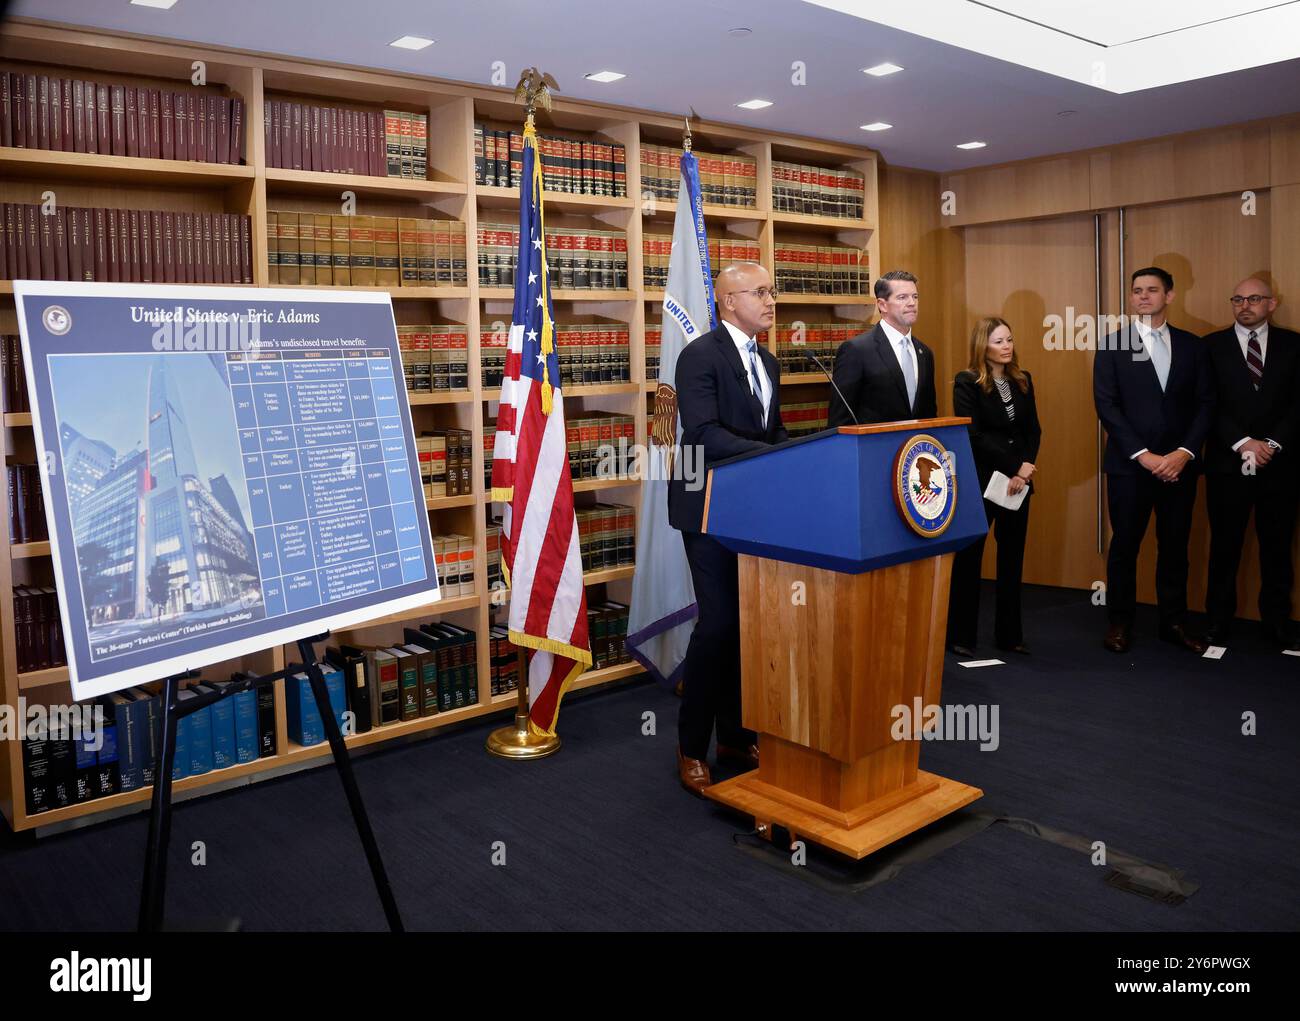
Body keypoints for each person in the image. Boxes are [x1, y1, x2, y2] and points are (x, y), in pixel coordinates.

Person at [667, 262, 788, 796]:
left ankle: (736, 738)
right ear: (727, 301)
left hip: (756, 508)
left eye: (771, 291)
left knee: (750, 626)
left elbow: (773, 429)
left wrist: (799, 449)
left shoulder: (770, 362)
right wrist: (774, 454)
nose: (770, 301)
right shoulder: (699, 356)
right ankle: (691, 746)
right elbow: (704, 434)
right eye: (759, 292)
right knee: (717, 625)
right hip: (708, 508)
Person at [1093, 266, 1213, 654]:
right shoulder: (1112, 346)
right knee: (1125, 547)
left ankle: (1173, 622)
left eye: (1152, 290)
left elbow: (1206, 404)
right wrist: (1144, 456)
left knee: (1175, 547)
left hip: (1180, 468)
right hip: (1130, 468)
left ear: (1169, 296)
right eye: (1137, 291)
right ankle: (1119, 623)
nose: (1143, 296)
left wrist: (1184, 453)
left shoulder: (1194, 346)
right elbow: (1107, 407)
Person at [1203, 277, 1300, 651]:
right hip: (1228, 465)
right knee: (1224, 547)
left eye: (1254, 299)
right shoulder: (1210, 347)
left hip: (1281, 465)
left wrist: (1271, 443)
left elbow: (1298, 404)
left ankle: (1276, 623)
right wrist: (1243, 442)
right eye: (1238, 299)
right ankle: (1217, 622)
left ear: (1271, 304)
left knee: (1277, 548)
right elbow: (1207, 402)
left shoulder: (1294, 344)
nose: (1245, 305)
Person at [947, 317, 1040, 656]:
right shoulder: (967, 381)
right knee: (970, 559)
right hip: (983, 481)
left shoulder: (1023, 380)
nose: (1006, 346)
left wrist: (1024, 471)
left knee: (1012, 559)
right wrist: (1014, 465)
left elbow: (1033, 431)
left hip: (1018, 484)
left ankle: (1010, 636)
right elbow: (973, 436)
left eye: (1009, 340)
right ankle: (961, 636)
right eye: (999, 341)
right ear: (982, 345)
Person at [827, 269, 937, 427]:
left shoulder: (924, 353)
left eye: (915, 296)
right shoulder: (856, 350)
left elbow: (929, 414)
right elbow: (840, 420)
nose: (912, 303)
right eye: (902, 297)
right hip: (872, 448)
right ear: (882, 305)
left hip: (914, 449)